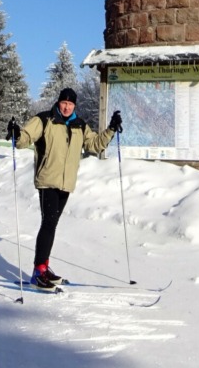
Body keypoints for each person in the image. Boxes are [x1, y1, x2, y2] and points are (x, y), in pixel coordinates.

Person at [7, 87, 123, 290]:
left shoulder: (80, 125)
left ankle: (44, 266)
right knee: (49, 223)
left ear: (74, 106)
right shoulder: (45, 120)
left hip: (66, 183)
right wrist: (17, 134)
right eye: (64, 103)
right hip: (47, 180)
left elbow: (94, 145)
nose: (67, 107)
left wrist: (111, 129)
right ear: (58, 102)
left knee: (52, 224)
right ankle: (38, 271)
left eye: (70, 104)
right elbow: (26, 137)